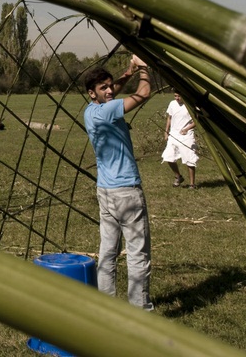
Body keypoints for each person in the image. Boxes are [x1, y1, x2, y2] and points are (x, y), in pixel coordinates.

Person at [82, 54, 153, 311]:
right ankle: (139, 311)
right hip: (127, 192)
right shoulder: (109, 110)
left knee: (108, 251)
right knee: (137, 253)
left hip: (106, 191)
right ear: (92, 93)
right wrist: (144, 69)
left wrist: (129, 71)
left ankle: (106, 306)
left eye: (111, 85)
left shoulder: (91, 111)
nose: (110, 90)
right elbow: (144, 94)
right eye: (104, 87)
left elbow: (112, 93)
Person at [162, 92, 198, 189]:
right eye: (175, 96)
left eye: (179, 96)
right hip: (173, 134)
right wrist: (166, 131)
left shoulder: (190, 105)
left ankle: (192, 184)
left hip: (186, 134)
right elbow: (169, 118)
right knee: (168, 156)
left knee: (189, 158)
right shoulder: (172, 104)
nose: (177, 98)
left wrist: (186, 129)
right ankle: (178, 176)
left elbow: (196, 121)